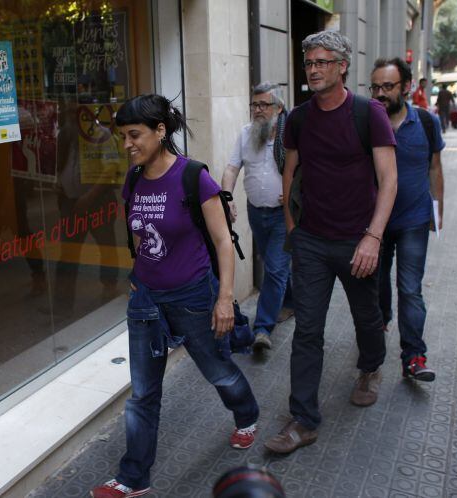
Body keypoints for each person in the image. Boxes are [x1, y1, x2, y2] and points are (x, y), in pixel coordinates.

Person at [91, 95, 260, 498]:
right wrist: (138, 274)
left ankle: (247, 414)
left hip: (193, 296)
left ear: (160, 132)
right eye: (123, 137)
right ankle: (134, 479)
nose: (127, 144)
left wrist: (224, 299)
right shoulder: (133, 179)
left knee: (217, 370)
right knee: (143, 392)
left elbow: (222, 241)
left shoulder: (194, 177)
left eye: (135, 135)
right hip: (147, 299)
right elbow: (136, 230)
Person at [264, 31, 397, 456]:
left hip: (359, 239)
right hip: (312, 242)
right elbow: (289, 173)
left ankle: (371, 367)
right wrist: (291, 228)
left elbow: (389, 179)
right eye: (309, 63)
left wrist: (373, 237)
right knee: (307, 330)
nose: (314, 69)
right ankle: (303, 420)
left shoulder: (368, 114)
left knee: (366, 315)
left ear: (342, 66)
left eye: (322, 62)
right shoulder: (299, 119)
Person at [370, 57, 445, 382]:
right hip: (375, 223)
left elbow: (435, 168)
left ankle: (413, 355)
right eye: (375, 87)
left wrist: (437, 213)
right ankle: (380, 324)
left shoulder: (427, 122)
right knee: (376, 284)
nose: (380, 93)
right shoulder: (368, 123)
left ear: (406, 87)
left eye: (387, 86)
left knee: (410, 289)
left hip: (414, 220)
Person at [221, 81, 294, 352]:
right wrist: (226, 198)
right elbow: (231, 169)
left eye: (264, 104)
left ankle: (262, 328)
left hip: (282, 215)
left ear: (278, 107)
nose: (258, 110)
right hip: (255, 212)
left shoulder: (292, 135)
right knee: (274, 265)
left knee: (274, 269)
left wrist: (294, 192)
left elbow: (309, 170)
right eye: (254, 104)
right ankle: (290, 300)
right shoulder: (246, 134)